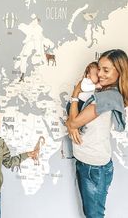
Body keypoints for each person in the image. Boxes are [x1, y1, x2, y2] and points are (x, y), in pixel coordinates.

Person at [66, 49, 128, 218]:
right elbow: (71, 119)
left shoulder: (109, 97)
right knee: (91, 213)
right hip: (86, 161)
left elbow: (73, 121)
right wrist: (71, 123)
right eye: (99, 68)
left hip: (94, 168)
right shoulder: (100, 91)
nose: (99, 73)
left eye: (106, 70)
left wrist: (75, 93)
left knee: (94, 215)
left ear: (120, 71)